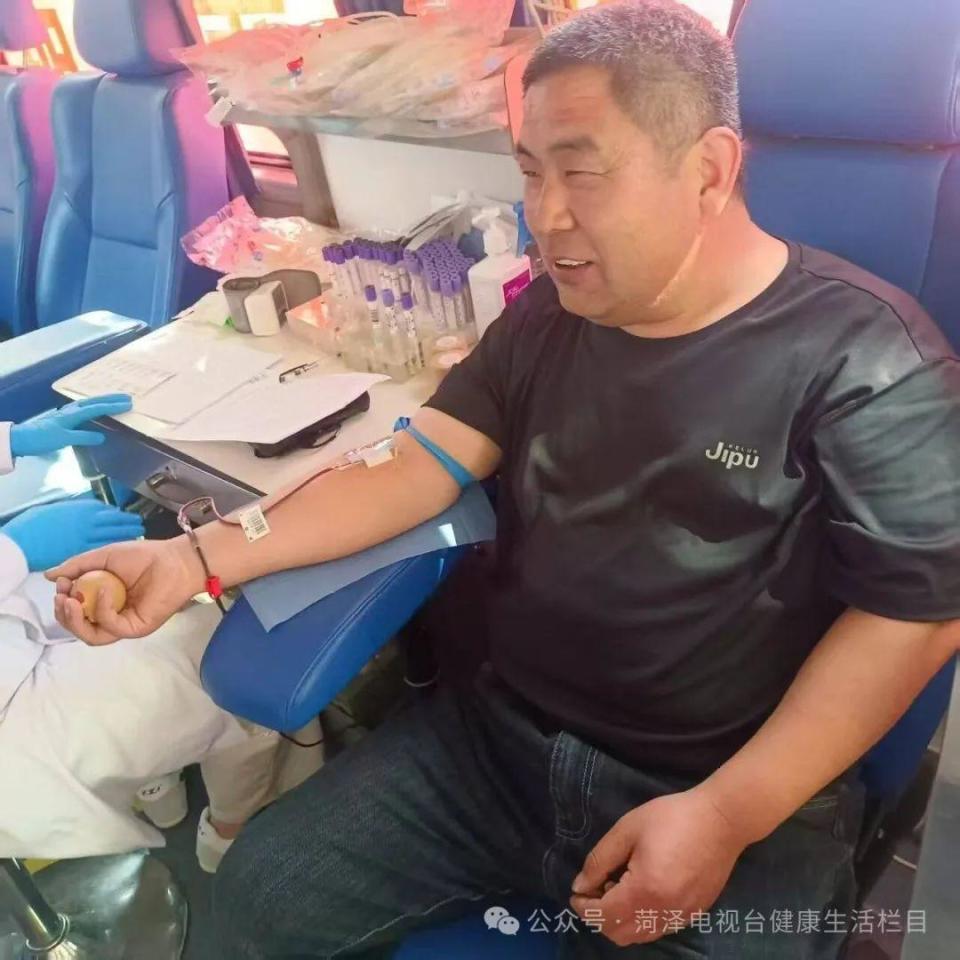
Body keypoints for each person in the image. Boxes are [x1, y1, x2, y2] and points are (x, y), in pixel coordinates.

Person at [49, 2, 960, 957]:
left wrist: (731, 812)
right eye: (530, 171)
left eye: (582, 171)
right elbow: (414, 463)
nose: (546, 213)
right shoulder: (550, 315)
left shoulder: (869, 362)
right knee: (256, 900)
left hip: (718, 783)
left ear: (710, 169)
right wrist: (194, 558)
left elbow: (916, 614)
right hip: (496, 750)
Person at [0, 398, 321, 870]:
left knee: (122, 584)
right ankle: (231, 836)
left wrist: (7, 440)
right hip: (15, 731)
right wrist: (12, 550)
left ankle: (158, 783)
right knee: (245, 650)